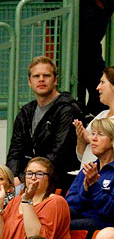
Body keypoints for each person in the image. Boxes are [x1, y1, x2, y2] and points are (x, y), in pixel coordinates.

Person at [6, 56, 83, 191]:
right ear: (30, 82)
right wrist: (12, 179)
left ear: (55, 80)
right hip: (28, 178)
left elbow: (58, 154)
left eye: (46, 75)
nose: (41, 79)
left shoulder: (67, 110)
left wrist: (25, 177)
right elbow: (15, 152)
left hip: (58, 180)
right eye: (36, 76)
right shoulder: (25, 112)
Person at [0, 157, 70, 239]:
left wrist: (27, 201)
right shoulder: (15, 202)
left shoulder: (56, 202)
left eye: (39, 174)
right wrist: (0, 205)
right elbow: (2, 238)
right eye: (29, 173)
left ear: (49, 178)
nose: (33, 177)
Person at [66, 118, 114, 229]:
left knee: (58, 226)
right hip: (82, 218)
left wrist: (94, 186)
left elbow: (112, 211)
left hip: (106, 226)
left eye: (100, 134)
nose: (93, 139)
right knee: (52, 217)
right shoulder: (89, 169)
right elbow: (70, 204)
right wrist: (85, 190)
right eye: (93, 133)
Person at [73, 66, 114, 172]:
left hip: (112, 181)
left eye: (102, 82)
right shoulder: (101, 115)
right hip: (88, 178)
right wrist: (81, 138)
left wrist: (89, 137)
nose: (98, 87)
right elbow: (82, 156)